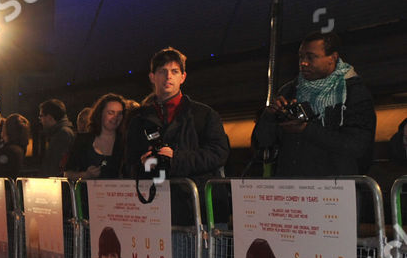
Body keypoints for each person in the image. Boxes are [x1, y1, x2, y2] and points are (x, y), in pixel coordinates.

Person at [251, 32, 376, 178]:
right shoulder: (289, 90)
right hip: (292, 186)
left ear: (333, 58)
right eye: (301, 57)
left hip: (335, 189)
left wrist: (306, 129)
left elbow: (358, 146)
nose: (303, 62)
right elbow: (262, 143)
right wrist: (270, 116)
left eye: (311, 57)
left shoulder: (353, 92)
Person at [122, 47, 229, 181]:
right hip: (155, 196)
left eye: (174, 71)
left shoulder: (205, 115)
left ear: (183, 77)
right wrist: (144, 164)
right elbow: (129, 163)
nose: (168, 76)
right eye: (162, 71)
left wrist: (176, 159)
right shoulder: (138, 119)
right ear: (152, 77)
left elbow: (218, 154)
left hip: (194, 197)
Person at [64, 93, 127, 181]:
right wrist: (86, 175)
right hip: (87, 194)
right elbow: (67, 174)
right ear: (100, 113)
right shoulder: (83, 140)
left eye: (119, 114)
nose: (115, 117)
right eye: (111, 113)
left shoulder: (125, 142)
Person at [38, 99, 76, 176]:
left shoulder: (62, 134)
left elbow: (54, 165)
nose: (40, 120)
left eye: (41, 116)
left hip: (55, 184)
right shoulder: (61, 132)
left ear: (49, 117)